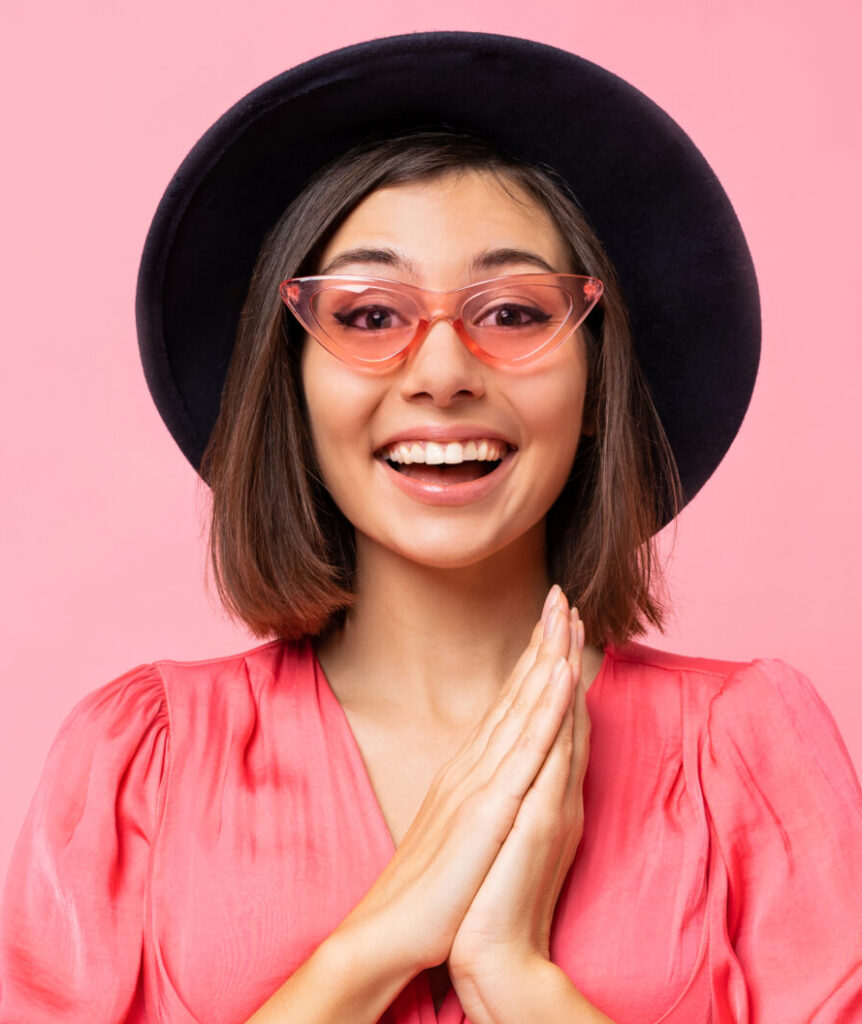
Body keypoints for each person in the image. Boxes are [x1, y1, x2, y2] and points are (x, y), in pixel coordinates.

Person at [1, 30, 860, 1024]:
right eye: (370, 316)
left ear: (595, 383)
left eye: (511, 312)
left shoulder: (746, 751)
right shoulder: (137, 761)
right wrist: (376, 944)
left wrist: (516, 977)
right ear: (290, 381)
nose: (443, 371)